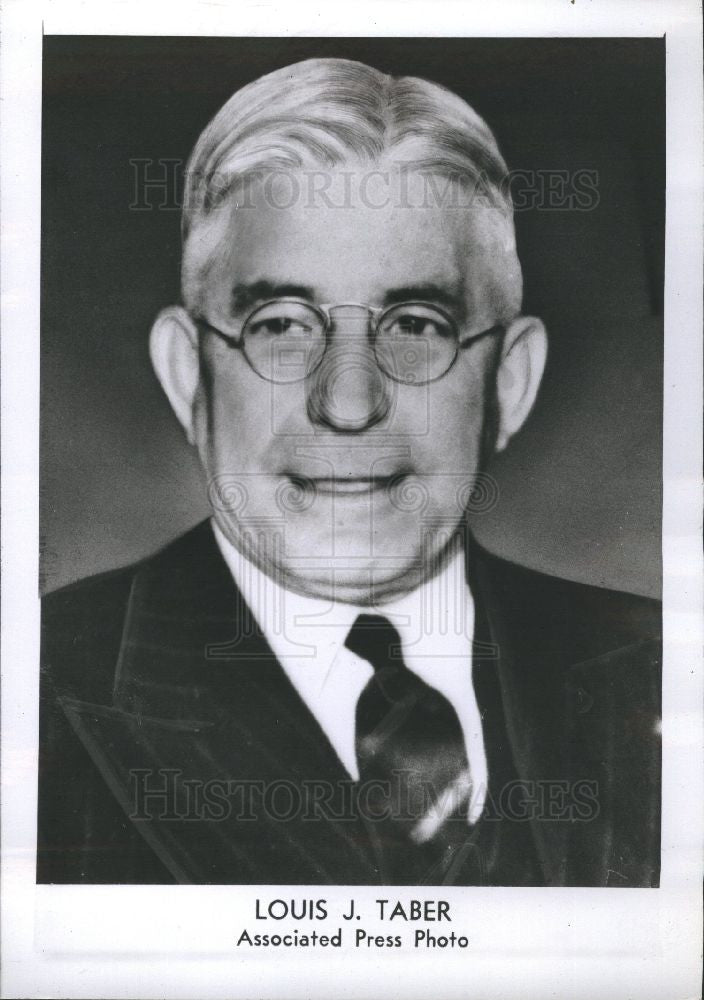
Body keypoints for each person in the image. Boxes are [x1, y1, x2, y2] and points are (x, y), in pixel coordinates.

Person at [37, 57, 661, 887]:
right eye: (283, 324)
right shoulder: (37, 687)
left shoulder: (665, 671)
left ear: (509, 382)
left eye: (415, 323)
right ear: (190, 376)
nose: (350, 401)